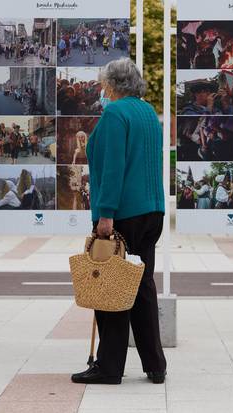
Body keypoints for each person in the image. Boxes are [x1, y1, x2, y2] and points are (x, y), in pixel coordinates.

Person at [71, 58, 166, 386]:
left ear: (113, 85)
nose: (101, 90)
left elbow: (113, 167)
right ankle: (155, 365)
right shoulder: (147, 112)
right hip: (152, 211)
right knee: (142, 287)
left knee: (109, 284)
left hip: (123, 213)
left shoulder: (114, 113)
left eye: (104, 85)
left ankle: (109, 367)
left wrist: (106, 214)